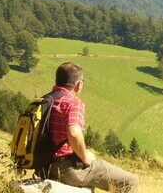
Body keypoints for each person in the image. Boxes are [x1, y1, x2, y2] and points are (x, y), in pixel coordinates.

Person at [42, 62, 139, 192]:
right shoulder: (72, 103)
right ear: (78, 84)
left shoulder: (44, 101)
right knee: (130, 181)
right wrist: (84, 157)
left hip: (43, 166)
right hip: (67, 169)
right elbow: (74, 133)